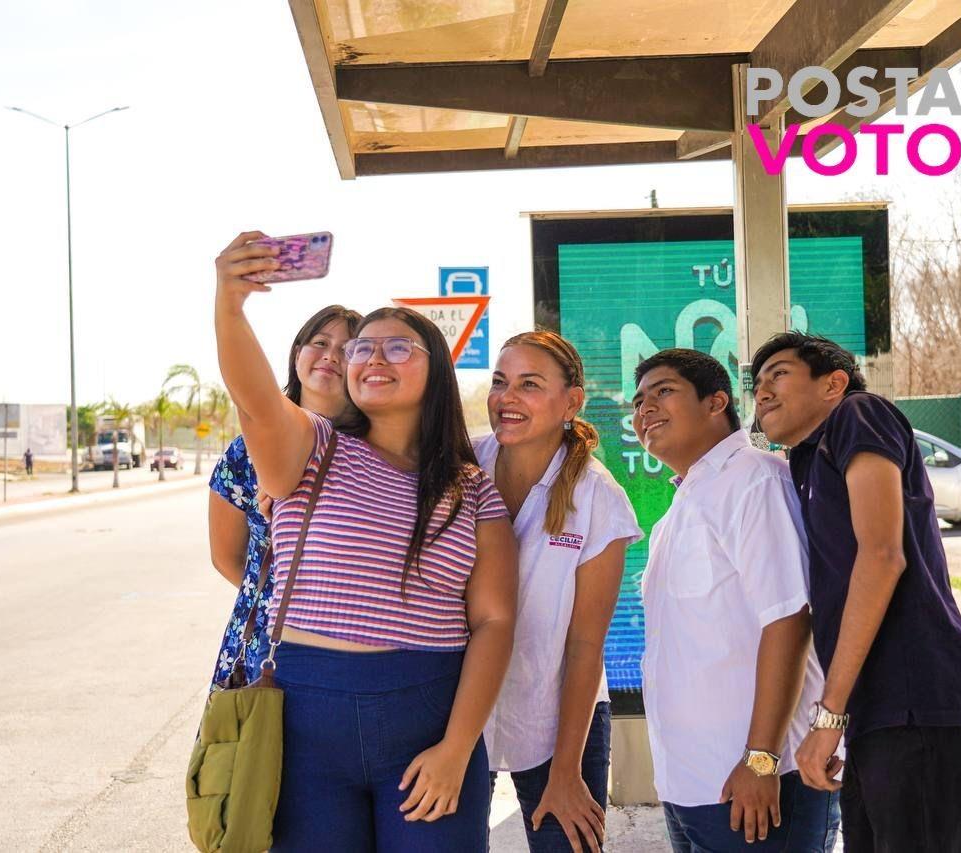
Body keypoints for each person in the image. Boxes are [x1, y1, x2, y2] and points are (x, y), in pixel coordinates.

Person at [213, 231, 518, 852]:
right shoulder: (311, 448)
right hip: (305, 721)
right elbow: (255, 399)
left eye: (398, 346)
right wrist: (229, 303)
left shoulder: (472, 487)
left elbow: (493, 621)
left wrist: (458, 750)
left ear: (436, 369)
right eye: (362, 348)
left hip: (428, 720)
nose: (373, 358)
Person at [750, 332, 961, 852]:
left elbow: (883, 555)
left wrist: (829, 715)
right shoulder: (805, 462)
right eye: (756, 385)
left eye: (778, 374)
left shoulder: (858, 415)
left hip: (919, 703)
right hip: (877, 714)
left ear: (833, 383)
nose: (762, 393)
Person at [631, 349, 838, 853]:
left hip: (760, 784)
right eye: (637, 401)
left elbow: (789, 619)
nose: (644, 410)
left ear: (716, 402)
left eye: (663, 392)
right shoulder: (680, 508)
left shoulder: (754, 479)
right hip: (692, 785)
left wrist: (761, 758)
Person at [478, 331, 642, 853]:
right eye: (501, 382)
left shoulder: (598, 497)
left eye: (530, 384)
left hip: (560, 719)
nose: (508, 398)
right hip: (460, 711)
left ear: (571, 402)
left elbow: (585, 644)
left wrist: (568, 770)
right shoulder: (462, 466)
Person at [207, 303, 361, 688]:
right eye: (320, 342)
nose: (330, 355)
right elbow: (227, 558)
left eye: (347, 349)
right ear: (297, 355)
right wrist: (281, 596)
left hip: (351, 642)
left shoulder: (376, 451)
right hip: (266, 643)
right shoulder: (246, 453)